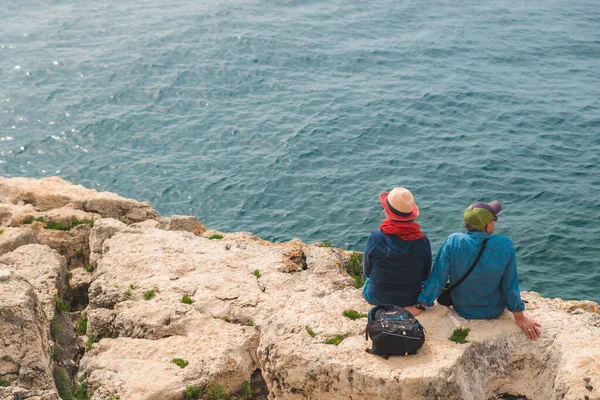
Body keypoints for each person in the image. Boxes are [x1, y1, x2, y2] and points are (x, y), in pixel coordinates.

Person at [408, 200, 542, 341]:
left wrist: (420, 305)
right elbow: (510, 285)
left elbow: (438, 280)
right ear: (486, 227)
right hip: (494, 310)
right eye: (493, 219)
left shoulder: (453, 241)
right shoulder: (504, 244)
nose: (494, 223)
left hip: (462, 309)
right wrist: (520, 318)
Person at [362, 187, 432, 307]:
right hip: (410, 299)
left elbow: (367, 271)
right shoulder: (422, 241)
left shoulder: (375, 237)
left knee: (367, 277)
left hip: (377, 297)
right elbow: (425, 274)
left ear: (387, 211)